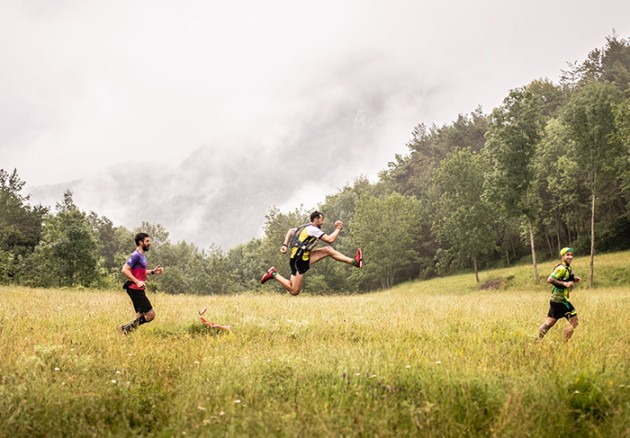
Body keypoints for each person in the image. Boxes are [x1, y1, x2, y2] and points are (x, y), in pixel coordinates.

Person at [260, 210, 363, 295]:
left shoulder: (305, 227)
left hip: (302, 257)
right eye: (321, 220)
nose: (323, 223)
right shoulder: (313, 229)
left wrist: (284, 245)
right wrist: (338, 228)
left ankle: (355, 262)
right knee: (294, 291)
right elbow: (330, 239)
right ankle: (273, 274)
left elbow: (291, 231)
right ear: (316, 220)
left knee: (328, 250)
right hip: (298, 261)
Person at [118, 232, 164, 334]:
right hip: (134, 289)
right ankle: (124, 329)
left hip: (138, 289)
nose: (149, 243)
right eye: (147, 241)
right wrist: (137, 281)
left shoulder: (142, 255)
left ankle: (127, 334)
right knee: (150, 315)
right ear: (140, 242)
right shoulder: (136, 255)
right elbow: (124, 270)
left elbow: (140, 272)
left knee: (139, 315)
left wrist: (153, 272)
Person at [538, 247, 582, 342]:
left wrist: (573, 279)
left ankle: (537, 341)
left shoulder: (566, 267)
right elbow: (550, 279)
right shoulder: (561, 268)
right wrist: (565, 284)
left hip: (556, 300)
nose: (570, 257)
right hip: (560, 300)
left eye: (571, 255)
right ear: (562, 256)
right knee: (574, 322)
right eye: (567, 255)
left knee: (550, 322)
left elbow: (563, 278)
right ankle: (564, 345)